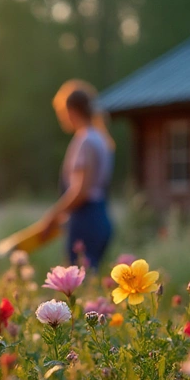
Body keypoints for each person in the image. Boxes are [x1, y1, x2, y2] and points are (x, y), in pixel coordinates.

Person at [39, 80, 115, 269]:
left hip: (86, 220)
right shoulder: (100, 138)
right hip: (100, 215)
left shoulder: (86, 140)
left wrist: (52, 216)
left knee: (79, 285)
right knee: (89, 281)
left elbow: (81, 191)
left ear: (71, 111)